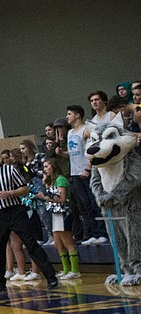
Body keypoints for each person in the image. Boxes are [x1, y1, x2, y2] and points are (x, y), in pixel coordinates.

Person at [0, 145, 59, 290]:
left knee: (31, 244)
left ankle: (51, 277)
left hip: (15, 211)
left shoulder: (10, 170)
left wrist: (11, 193)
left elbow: (25, 188)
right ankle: (0, 283)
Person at [66, 104, 109, 245]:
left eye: (69, 114)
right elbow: (73, 151)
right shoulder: (69, 132)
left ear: (77, 115)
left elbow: (91, 149)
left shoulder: (86, 129)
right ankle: (91, 233)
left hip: (86, 171)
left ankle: (102, 232)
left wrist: (89, 168)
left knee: (94, 203)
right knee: (84, 206)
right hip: (75, 173)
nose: (67, 116)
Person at [36, 157, 79, 281]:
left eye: (46, 167)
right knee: (58, 244)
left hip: (64, 214)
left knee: (68, 243)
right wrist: (44, 182)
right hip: (55, 215)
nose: (44, 170)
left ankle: (75, 271)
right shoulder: (52, 181)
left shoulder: (60, 180)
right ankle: (66, 269)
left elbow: (62, 198)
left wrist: (45, 197)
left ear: (53, 166)